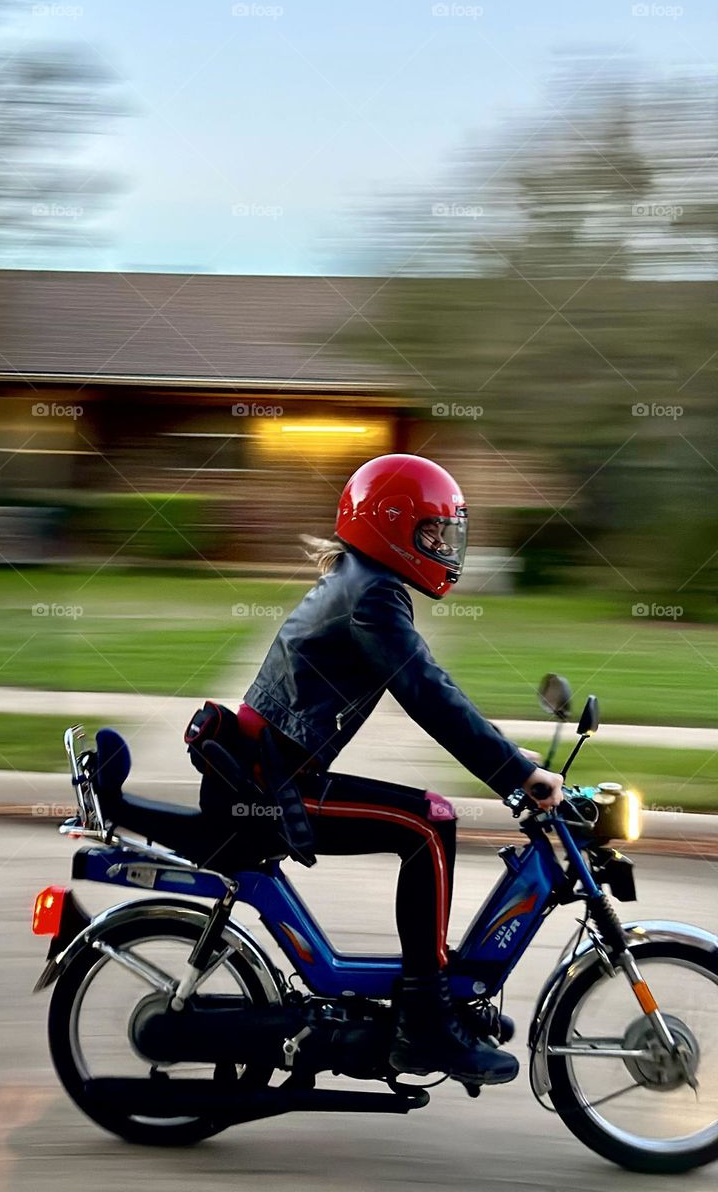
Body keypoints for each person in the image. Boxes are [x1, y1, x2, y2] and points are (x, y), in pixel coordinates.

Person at [235, 454, 564, 1085]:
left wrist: (508, 758)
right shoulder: (372, 596)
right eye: (432, 532)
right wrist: (515, 776)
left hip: (272, 775)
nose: (443, 546)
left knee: (426, 819)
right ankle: (425, 1023)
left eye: (445, 533)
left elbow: (433, 687)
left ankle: (435, 1001)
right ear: (391, 527)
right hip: (273, 789)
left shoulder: (364, 581)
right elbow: (426, 693)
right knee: (425, 825)